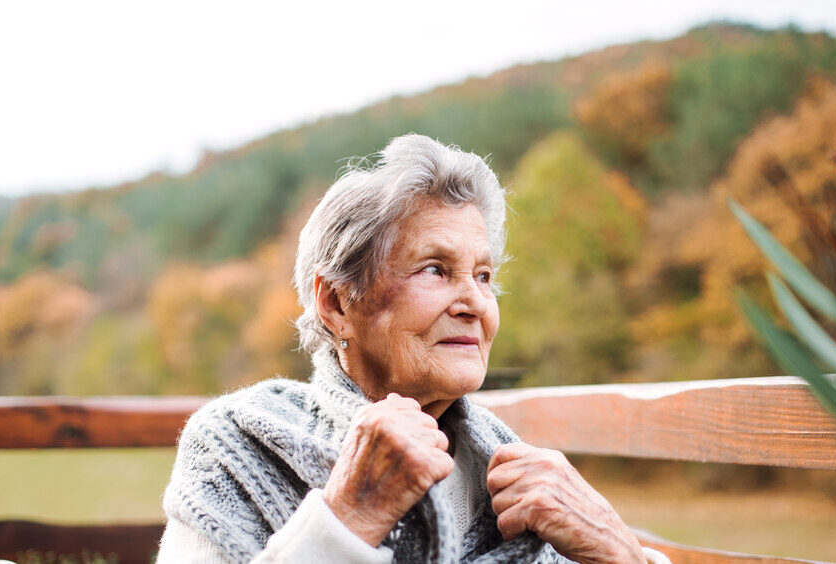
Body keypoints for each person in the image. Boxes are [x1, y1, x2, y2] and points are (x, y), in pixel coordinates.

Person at [158, 134, 668, 564]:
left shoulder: (512, 473)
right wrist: (350, 516)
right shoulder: (234, 446)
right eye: (435, 269)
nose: (475, 303)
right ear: (336, 302)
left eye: (484, 275)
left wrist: (618, 548)